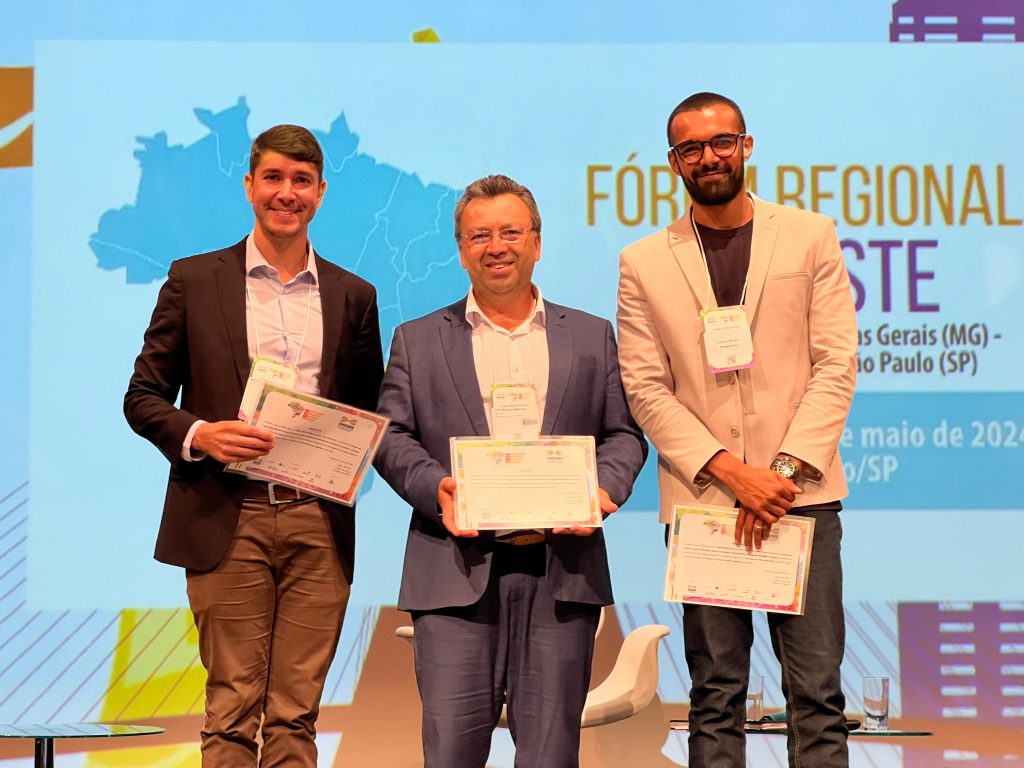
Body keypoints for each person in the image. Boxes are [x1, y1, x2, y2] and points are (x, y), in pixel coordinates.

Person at [124, 124, 383, 767]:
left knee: (296, 717)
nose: (286, 193)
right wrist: (201, 435)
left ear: (320, 192)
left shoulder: (354, 295)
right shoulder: (193, 280)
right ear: (249, 185)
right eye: (273, 178)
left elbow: (367, 411)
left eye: (301, 181)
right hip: (225, 514)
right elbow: (143, 397)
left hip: (317, 521)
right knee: (232, 712)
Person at [616, 92, 857, 768]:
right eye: (691, 148)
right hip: (706, 501)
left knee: (816, 695)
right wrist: (732, 472)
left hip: (798, 498)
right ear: (673, 163)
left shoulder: (809, 234)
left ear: (746, 145)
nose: (709, 157)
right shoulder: (643, 260)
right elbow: (645, 386)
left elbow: (836, 364)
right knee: (715, 697)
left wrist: (776, 477)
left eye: (721, 142)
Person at [374, 174, 647, 768]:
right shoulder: (417, 340)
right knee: (450, 755)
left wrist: (601, 490)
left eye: (510, 232)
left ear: (537, 243)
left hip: (561, 574)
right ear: (461, 249)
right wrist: (436, 488)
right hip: (454, 574)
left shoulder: (592, 336)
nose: (495, 247)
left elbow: (625, 434)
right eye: (479, 236)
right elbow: (390, 437)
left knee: (551, 757)